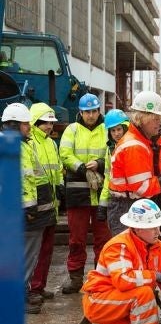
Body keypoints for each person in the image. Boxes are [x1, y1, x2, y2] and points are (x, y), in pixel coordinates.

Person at [81, 199, 161, 324]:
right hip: (100, 301)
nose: (158, 231)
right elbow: (123, 280)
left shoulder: (160, 248)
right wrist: (155, 276)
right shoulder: (119, 246)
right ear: (137, 228)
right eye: (152, 227)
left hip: (126, 302)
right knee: (144, 294)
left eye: (158, 226)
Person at [59, 93, 110, 294]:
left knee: (103, 240)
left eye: (94, 111)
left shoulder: (107, 130)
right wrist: (82, 168)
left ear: (99, 111)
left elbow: (114, 153)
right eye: (87, 112)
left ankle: (101, 278)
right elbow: (64, 154)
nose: (91, 115)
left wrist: (100, 164)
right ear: (80, 112)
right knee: (76, 240)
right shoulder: (72, 130)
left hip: (102, 195)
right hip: (77, 194)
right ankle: (76, 278)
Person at [1, 103, 42, 313]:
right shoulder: (10, 146)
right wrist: (27, 208)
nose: (30, 128)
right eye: (26, 124)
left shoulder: (21, 144)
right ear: (15, 124)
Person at [28, 103, 63, 307]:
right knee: (35, 250)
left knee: (47, 248)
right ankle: (32, 287)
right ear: (35, 122)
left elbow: (56, 169)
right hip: (36, 204)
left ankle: (39, 286)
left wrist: (59, 187)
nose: (49, 127)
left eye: (51, 123)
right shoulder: (30, 143)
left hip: (50, 203)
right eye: (45, 123)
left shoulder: (51, 143)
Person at [97, 108, 130, 236]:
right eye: (113, 130)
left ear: (125, 128)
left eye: (119, 129)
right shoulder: (110, 149)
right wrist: (103, 204)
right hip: (117, 201)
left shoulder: (132, 146)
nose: (116, 133)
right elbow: (108, 178)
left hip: (132, 199)